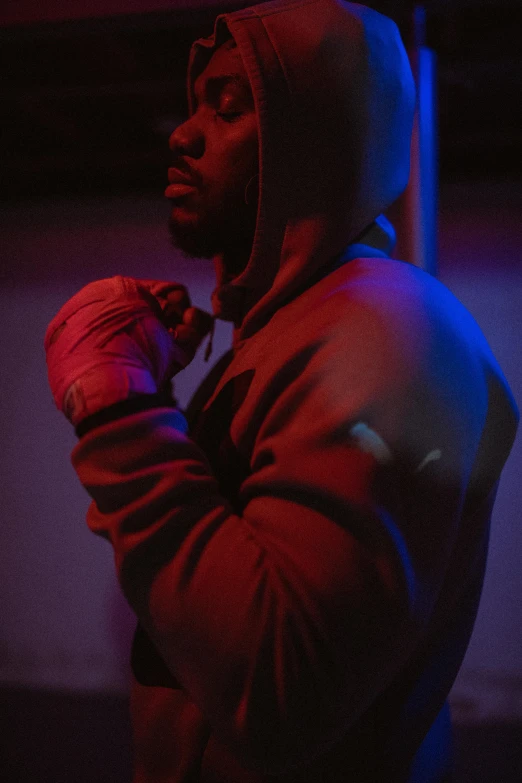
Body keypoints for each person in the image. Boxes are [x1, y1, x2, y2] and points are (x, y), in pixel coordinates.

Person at [44, 1, 519, 782]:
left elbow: (279, 689)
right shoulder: (290, 330)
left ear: (319, 142)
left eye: (229, 108)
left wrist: (121, 411)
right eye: (195, 105)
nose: (182, 133)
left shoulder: (389, 328)